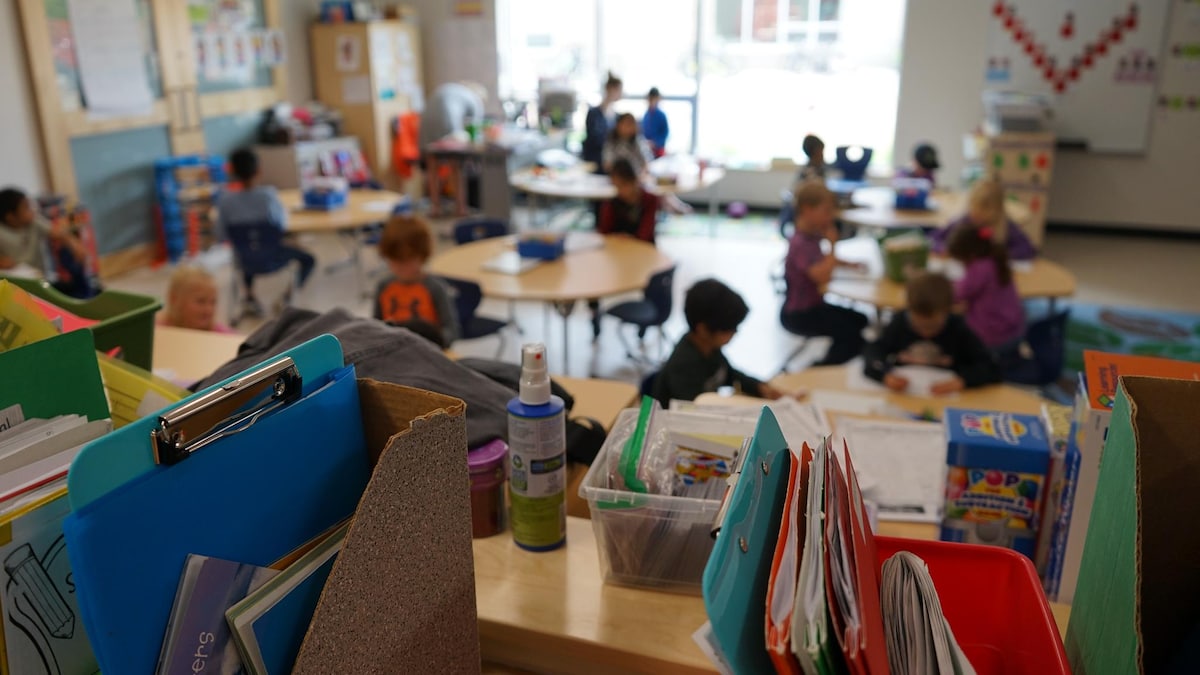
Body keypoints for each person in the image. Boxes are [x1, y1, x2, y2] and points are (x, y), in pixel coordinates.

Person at [863, 272, 1000, 395]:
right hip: (905, 395)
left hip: (947, 397)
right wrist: (884, 376)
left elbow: (990, 367)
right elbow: (873, 352)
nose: (926, 333)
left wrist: (963, 380)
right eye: (918, 325)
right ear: (909, 310)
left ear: (948, 311)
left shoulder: (958, 329)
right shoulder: (900, 323)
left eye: (932, 326)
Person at [652, 278, 784, 404]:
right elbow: (693, 413)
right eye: (729, 328)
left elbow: (729, 374)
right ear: (703, 330)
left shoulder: (710, 347)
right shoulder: (683, 368)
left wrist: (758, 387)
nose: (735, 332)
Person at [217, 148, 316, 316]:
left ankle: (249, 297)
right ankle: (288, 296)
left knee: (248, 250)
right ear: (259, 170)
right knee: (309, 259)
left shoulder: (225, 201)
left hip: (244, 260)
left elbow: (221, 235)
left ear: (232, 171)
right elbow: (281, 224)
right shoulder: (269, 196)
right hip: (272, 256)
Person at [780, 181, 869, 365]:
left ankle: (830, 361)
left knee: (861, 320)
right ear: (807, 209)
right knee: (852, 337)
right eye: (826, 211)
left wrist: (847, 264)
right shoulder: (800, 243)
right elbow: (822, 276)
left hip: (814, 306)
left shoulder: (811, 235)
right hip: (800, 314)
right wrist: (833, 244)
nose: (831, 217)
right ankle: (822, 367)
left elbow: (820, 262)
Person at [373, 213, 461, 344]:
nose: (399, 267)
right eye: (394, 261)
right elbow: (375, 326)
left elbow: (452, 331)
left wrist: (436, 340)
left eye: (406, 261)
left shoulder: (435, 288)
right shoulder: (384, 286)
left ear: (423, 256)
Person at [946, 223, 1026, 353]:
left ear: (970, 256)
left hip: (992, 337)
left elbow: (954, 296)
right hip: (1014, 331)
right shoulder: (995, 260)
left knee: (949, 327)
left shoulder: (979, 269)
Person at [930, 179, 1036, 260]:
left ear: (998, 210)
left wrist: (999, 255)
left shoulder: (1005, 225)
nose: (977, 216)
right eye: (974, 210)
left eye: (984, 211)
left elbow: (1028, 249)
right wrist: (943, 249)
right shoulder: (964, 221)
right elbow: (933, 238)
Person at [0, 187, 87, 282]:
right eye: (26, 208)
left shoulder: (34, 222)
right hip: (15, 283)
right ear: (10, 217)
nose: (32, 210)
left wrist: (75, 245)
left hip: (40, 279)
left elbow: (59, 234)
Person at [597, 159, 659, 243]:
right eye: (616, 186)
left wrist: (629, 238)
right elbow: (604, 232)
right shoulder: (612, 202)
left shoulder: (650, 199)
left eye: (623, 185)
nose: (620, 190)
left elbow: (646, 233)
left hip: (644, 248)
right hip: (617, 249)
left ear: (634, 180)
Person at [160, 265, 234, 333]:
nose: (208, 309)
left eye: (213, 302)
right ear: (174, 299)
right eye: (201, 301)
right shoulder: (159, 330)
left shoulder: (221, 334)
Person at [582, 73, 623, 171]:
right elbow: (595, 138)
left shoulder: (616, 115)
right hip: (595, 161)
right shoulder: (594, 113)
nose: (621, 93)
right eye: (619, 90)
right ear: (610, 89)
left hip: (610, 162)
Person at [641, 87, 669, 159]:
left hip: (658, 151)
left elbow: (665, 134)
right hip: (647, 150)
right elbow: (643, 132)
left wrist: (655, 143)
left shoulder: (661, 115)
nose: (652, 101)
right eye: (650, 99)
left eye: (654, 99)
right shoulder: (646, 115)